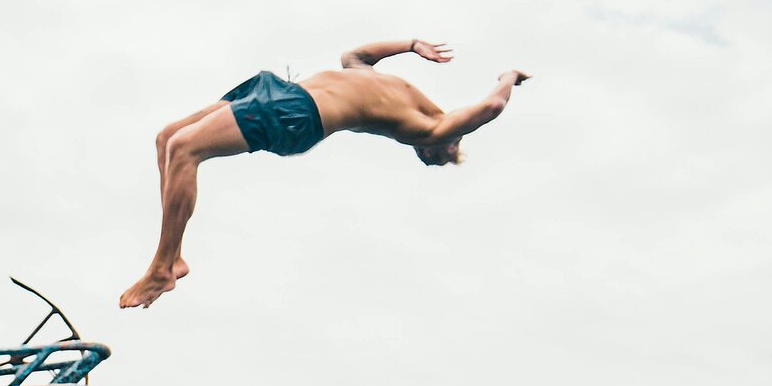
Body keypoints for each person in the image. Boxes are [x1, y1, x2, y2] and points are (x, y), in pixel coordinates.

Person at [120, 37, 530, 309]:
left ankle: (163, 267)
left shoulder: (428, 128)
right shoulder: (396, 91)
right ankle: (171, 258)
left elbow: (492, 107)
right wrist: (410, 45)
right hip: (281, 91)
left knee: (184, 148)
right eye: (431, 156)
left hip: (297, 115)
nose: (424, 152)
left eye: (426, 156)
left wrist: (507, 78)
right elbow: (356, 57)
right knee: (167, 138)